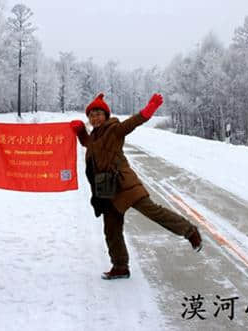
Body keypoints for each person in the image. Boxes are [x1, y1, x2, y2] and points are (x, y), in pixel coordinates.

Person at [70, 93, 202, 280]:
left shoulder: (114, 129)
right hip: (106, 191)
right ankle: (120, 266)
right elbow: (90, 144)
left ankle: (189, 231)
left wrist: (148, 111)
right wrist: (81, 133)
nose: (95, 117)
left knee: (153, 211)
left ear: (106, 116)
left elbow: (132, 123)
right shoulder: (94, 136)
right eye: (91, 115)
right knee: (111, 230)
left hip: (124, 184)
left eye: (99, 113)